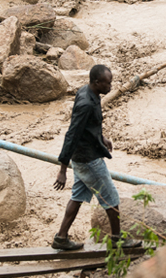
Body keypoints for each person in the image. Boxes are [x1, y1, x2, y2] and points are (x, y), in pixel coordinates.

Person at [52, 65, 141, 251]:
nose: (110, 86)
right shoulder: (86, 103)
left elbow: (89, 126)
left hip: (82, 157)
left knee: (77, 196)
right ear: (96, 82)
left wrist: (101, 138)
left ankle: (61, 237)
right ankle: (117, 239)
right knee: (111, 198)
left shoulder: (89, 92)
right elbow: (72, 134)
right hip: (88, 160)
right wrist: (62, 170)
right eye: (107, 83)